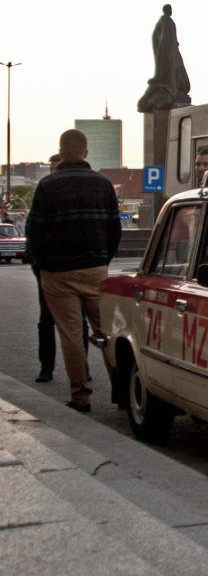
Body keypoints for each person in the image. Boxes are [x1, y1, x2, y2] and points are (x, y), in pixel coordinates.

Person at [26, 130, 121, 412]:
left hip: (58, 272)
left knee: (70, 336)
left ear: (61, 153)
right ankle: (121, 392)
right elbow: (114, 229)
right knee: (105, 333)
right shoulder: (104, 185)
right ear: (86, 152)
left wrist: (44, 263)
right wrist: (103, 260)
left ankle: (81, 397)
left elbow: (34, 231)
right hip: (95, 269)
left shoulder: (46, 186)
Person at [26, 154, 90, 383]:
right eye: (52, 169)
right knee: (47, 320)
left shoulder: (69, 193)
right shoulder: (45, 191)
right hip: (48, 267)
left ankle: (82, 368)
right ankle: (47, 368)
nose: (55, 172)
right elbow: (32, 231)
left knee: (79, 321)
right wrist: (38, 262)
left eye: (57, 168)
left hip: (73, 265)